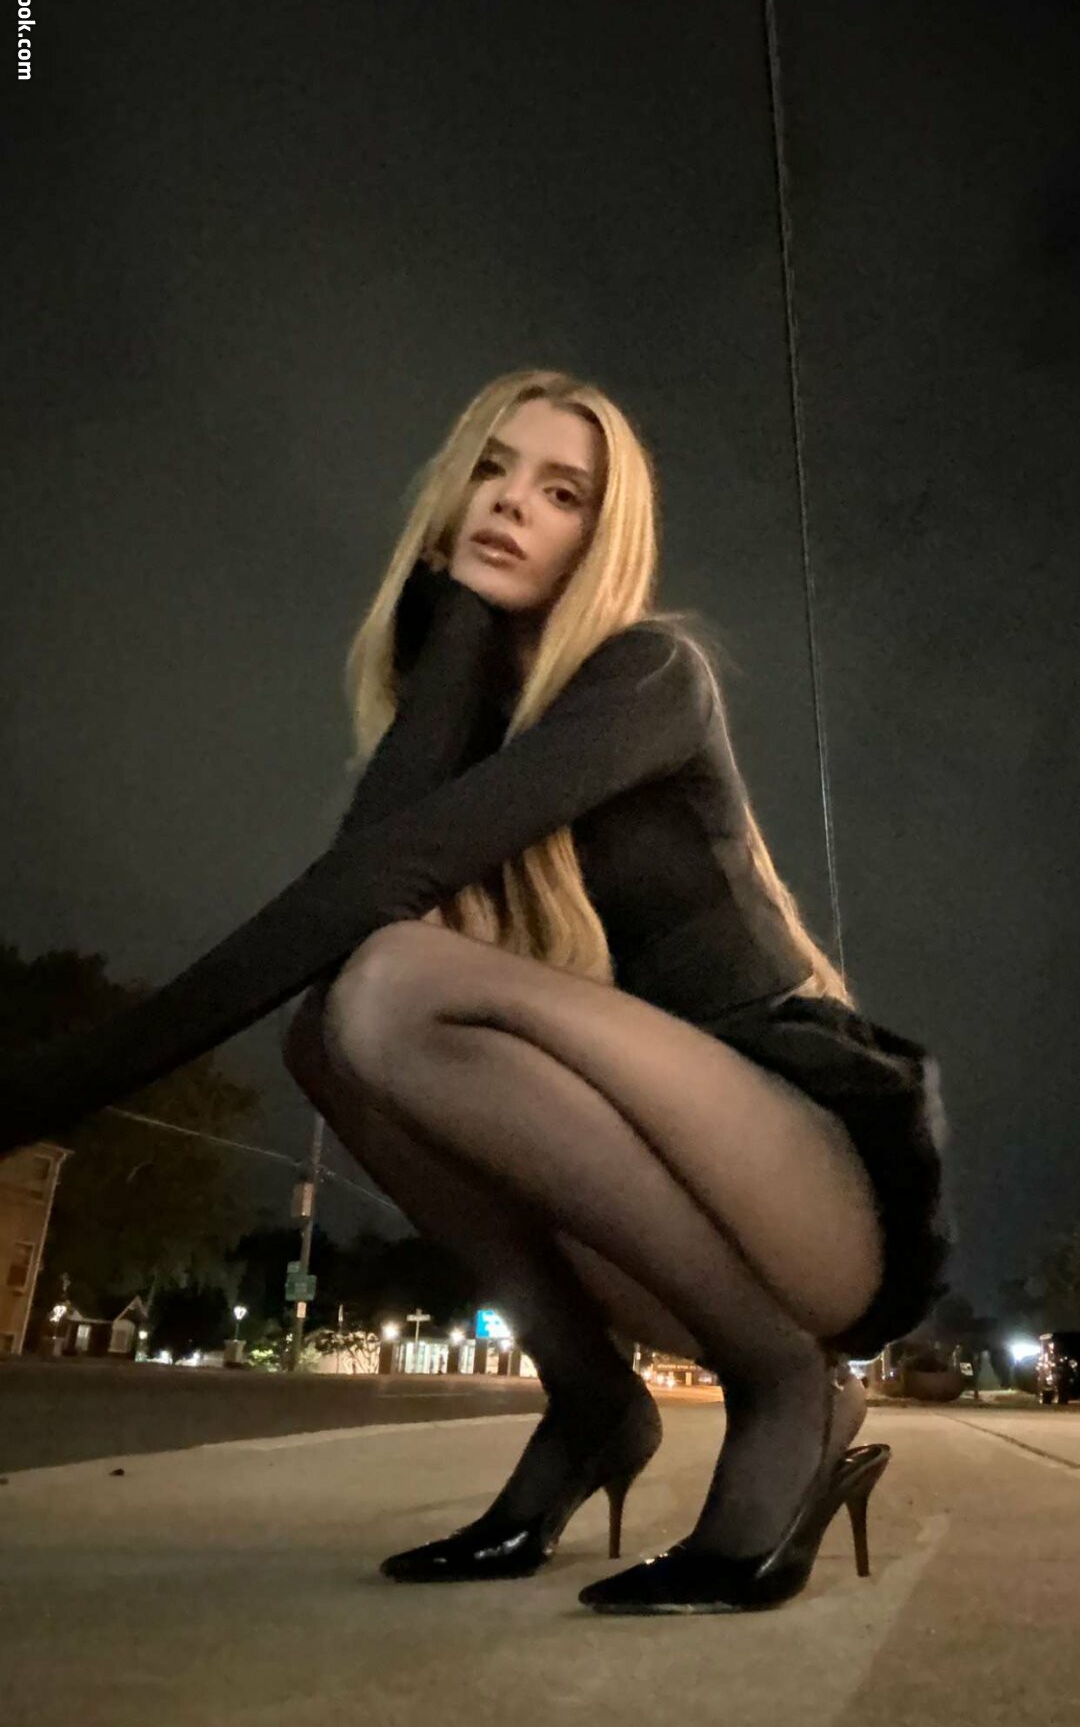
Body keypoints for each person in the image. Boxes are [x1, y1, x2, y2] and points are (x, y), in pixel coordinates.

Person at [0, 367, 954, 1616]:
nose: (511, 504)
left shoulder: (650, 675)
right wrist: (456, 635)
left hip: (810, 1177)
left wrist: (57, 1085)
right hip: (674, 1207)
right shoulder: (493, 722)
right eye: (490, 472)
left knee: (392, 982)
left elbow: (379, 889)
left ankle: (787, 1388)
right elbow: (365, 886)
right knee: (334, 1031)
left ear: (603, 536)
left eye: (562, 492)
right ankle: (593, 1401)